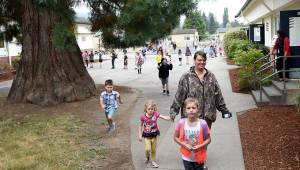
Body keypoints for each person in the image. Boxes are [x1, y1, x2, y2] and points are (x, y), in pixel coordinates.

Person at [169, 51, 232, 129]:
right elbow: (179, 96)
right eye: (199, 60)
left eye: (204, 60)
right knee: (192, 140)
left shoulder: (211, 76)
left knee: (205, 139)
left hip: (208, 117)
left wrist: (224, 110)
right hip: (191, 117)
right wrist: (173, 112)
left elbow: (218, 94)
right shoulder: (186, 77)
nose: (202, 62)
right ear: (194, 60)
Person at [174, 98, 211, 170]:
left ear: (198, 109)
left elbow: (209, 139)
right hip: (186, 157)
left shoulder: (203, 123)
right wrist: (184, 144)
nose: (191, 110)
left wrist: (200, 146)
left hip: (199, 156)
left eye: (194, 108)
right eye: (188, 108)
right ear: (185, 110)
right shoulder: (181, 123)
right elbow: (175, 137)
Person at [138, 100, 170, 168]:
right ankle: (147, 157)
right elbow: (140, 126)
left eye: (152, 109)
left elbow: (163, 116)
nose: (150, 110)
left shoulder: (155, 114)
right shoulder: (143, 117)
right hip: (146, 135)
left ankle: (153, 161)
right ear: (146, 109)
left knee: (153, 149)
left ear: (154, 109)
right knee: (147, 149)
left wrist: (169, 118)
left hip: (154, 135)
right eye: (149, 109)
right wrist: (140, 135)